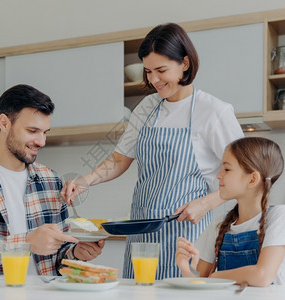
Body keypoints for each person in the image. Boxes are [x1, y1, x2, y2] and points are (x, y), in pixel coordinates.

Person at [61, 23, 244, 279]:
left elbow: (247, 174)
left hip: (188, 234)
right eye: (148, 71)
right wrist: (86, 180)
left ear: (186, 64)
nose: (153, 80)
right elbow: (119, 159)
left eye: (161, 70)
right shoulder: (147, 107)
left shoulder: (214, 111)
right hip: (143, 234)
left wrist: (206, 203)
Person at [0, 84, 104, 276]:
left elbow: (58, 258)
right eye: (33, 131)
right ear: (4, 123)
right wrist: (25, 243)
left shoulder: (51, 180)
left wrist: (75, 253)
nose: (41, 141)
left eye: (45, 132)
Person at [175, 137, 285, 286]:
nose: (219, 175)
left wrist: (216, 276)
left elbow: (262, 275)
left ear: (252, 179)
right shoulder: (219, 223)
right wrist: (186, 269)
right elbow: (200, 282)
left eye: (227, 169)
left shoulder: (280, 216)